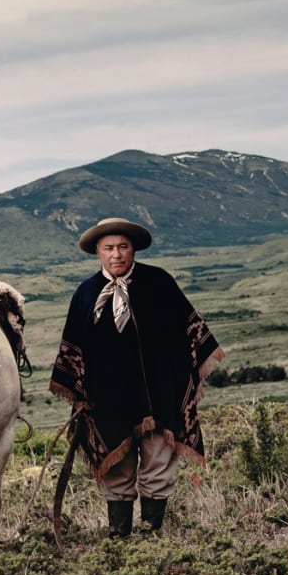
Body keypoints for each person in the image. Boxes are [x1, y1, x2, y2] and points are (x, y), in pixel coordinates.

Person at [51, 217, 221, 537]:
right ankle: (119, 538)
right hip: (108, 403)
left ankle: (150, 537)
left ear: (133, 250)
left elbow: (188, 335)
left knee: (158, 466)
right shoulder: (86, 294)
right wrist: (80, 396)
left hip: (161, 397)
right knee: (117, 469)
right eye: (109, 248)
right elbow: (73, 350)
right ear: (98, 253)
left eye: (123, 247)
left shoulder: (159, 282)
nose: (117, 254)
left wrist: (179, 383)